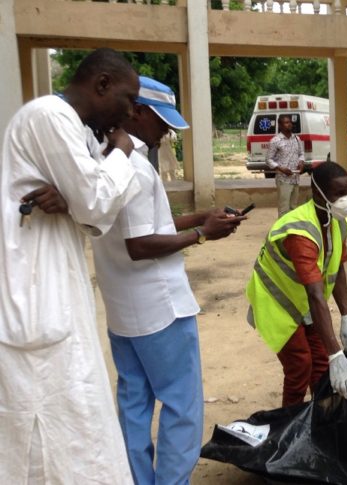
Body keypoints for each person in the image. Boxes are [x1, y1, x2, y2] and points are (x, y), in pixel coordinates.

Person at [90, 76, 245, 485]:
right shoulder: (137, 169)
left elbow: (144, 225)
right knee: (182, 406)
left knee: (134, 403)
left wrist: (200, 217)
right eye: (162, 121)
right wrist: (202, 235)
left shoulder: (106, 162)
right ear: (135, 111)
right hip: (161, 309)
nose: (168, 131)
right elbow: (140, 244)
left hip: (124, 313)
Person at [0, 48, 140, 484]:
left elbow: (93, 207)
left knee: (76, 426)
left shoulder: (75, 130)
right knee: (46, 430)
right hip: (34, 298)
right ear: (101, 85)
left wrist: (72, 201)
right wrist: (123, 152)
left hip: (55, 290)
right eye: (127, 99)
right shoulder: (49, 116)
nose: (130, 114)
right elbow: (97, 200)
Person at [246, 161, 347, 407]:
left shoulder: (339, 221)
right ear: (317, 192)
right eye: (339, 194)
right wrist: (336, 353)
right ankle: (290, 422)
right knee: (300, 365)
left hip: (304, 303)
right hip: (277, 304)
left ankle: (323, 417)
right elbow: (314, 293)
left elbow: (337, 267)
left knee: (321, 366)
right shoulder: (300, 232)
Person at [267, 113, 305, 217]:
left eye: (290, 122)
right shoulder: (275, 141)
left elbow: (301, 154)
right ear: (280, 125)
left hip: (295, 178)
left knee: (293, 208)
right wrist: (281, 169)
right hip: (283, 179)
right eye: (286, 122)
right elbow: (269, 160)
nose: (289, 125)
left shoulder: (297, 139)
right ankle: (282, 232)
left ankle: (292, 231)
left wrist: (301, 163)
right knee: (284, 209)